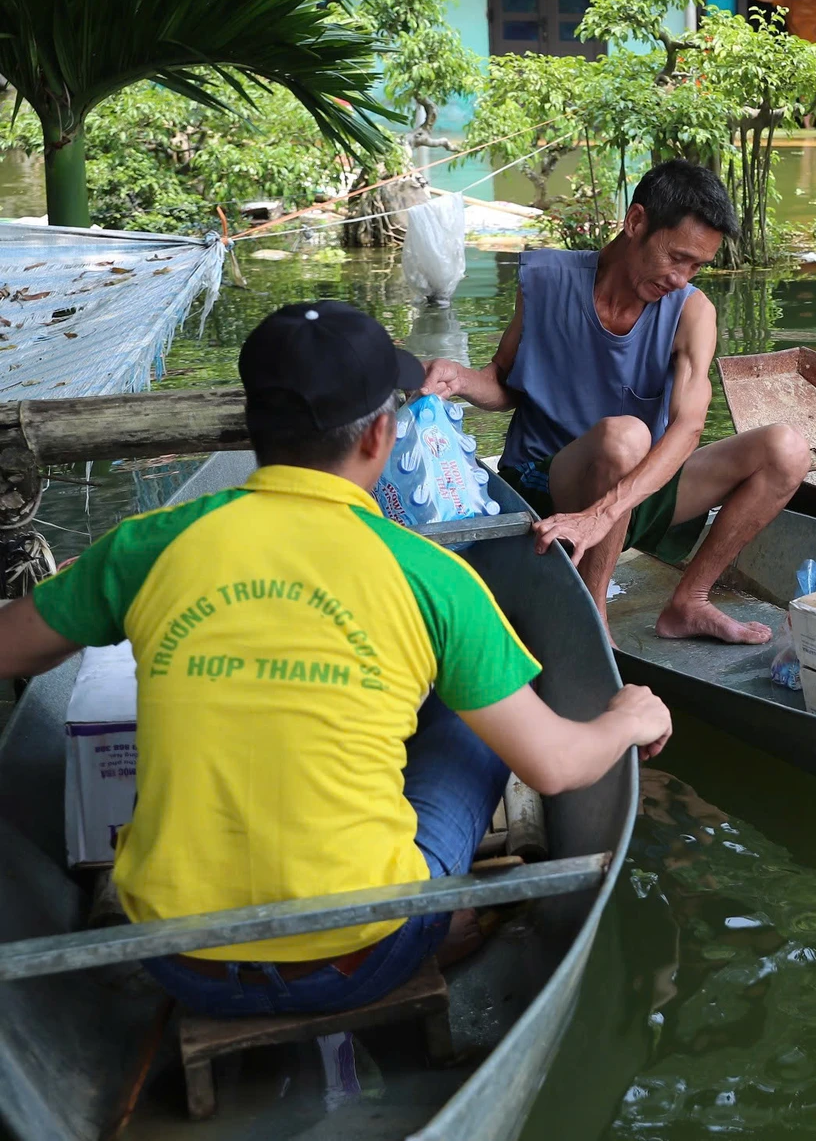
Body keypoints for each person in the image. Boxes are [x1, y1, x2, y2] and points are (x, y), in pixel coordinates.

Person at [0, 301, 673, 1018]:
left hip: (177, 956)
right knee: (467, 711)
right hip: (364, 955)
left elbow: (11, 646)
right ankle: (439, 921)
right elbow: (557, 765)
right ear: (383, 433)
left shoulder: (148, 544)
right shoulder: (432, 575)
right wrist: (628, 718)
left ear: (254, 425)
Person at [421, 159, 807, 643]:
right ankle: (592, 615)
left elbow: (688, 428)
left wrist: (601, 515)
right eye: (676, 257)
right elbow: (504, 383)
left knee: (787, 448)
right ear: (636, 222)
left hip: (628, 495)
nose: (682, 277)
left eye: (696, 266)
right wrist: (458, 378)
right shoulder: (545, 281)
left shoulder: (693, 312)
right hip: (546, 482)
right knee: (625, 436)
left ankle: (689, 603)